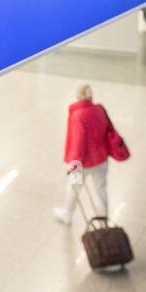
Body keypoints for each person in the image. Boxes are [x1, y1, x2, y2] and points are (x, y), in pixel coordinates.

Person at [53, 84, 115, 225]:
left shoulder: (78, 115)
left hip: (82, 163)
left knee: (74, 187)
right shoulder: (100, 110)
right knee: (101, 191)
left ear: (78, 96)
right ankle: (103, 222)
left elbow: (78, 143)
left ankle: (67, 214)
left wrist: (73, 165)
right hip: (101, 160)